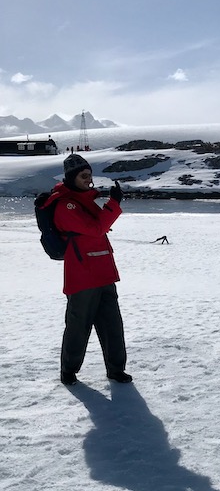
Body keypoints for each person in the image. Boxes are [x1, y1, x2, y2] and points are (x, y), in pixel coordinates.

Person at [49, 153, 131, 386]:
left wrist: (109, 206)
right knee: (78, 327)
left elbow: (99, 227)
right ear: (71, 177)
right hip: (82, 276)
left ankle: (116, 369)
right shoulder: (66, 204)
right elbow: (96, 229)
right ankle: (69, 371)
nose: (88, 179)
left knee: (112, 326)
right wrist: (114, 204)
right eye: (83, 175)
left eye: (89, 175)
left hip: (103, 272)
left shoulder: (86, 200)